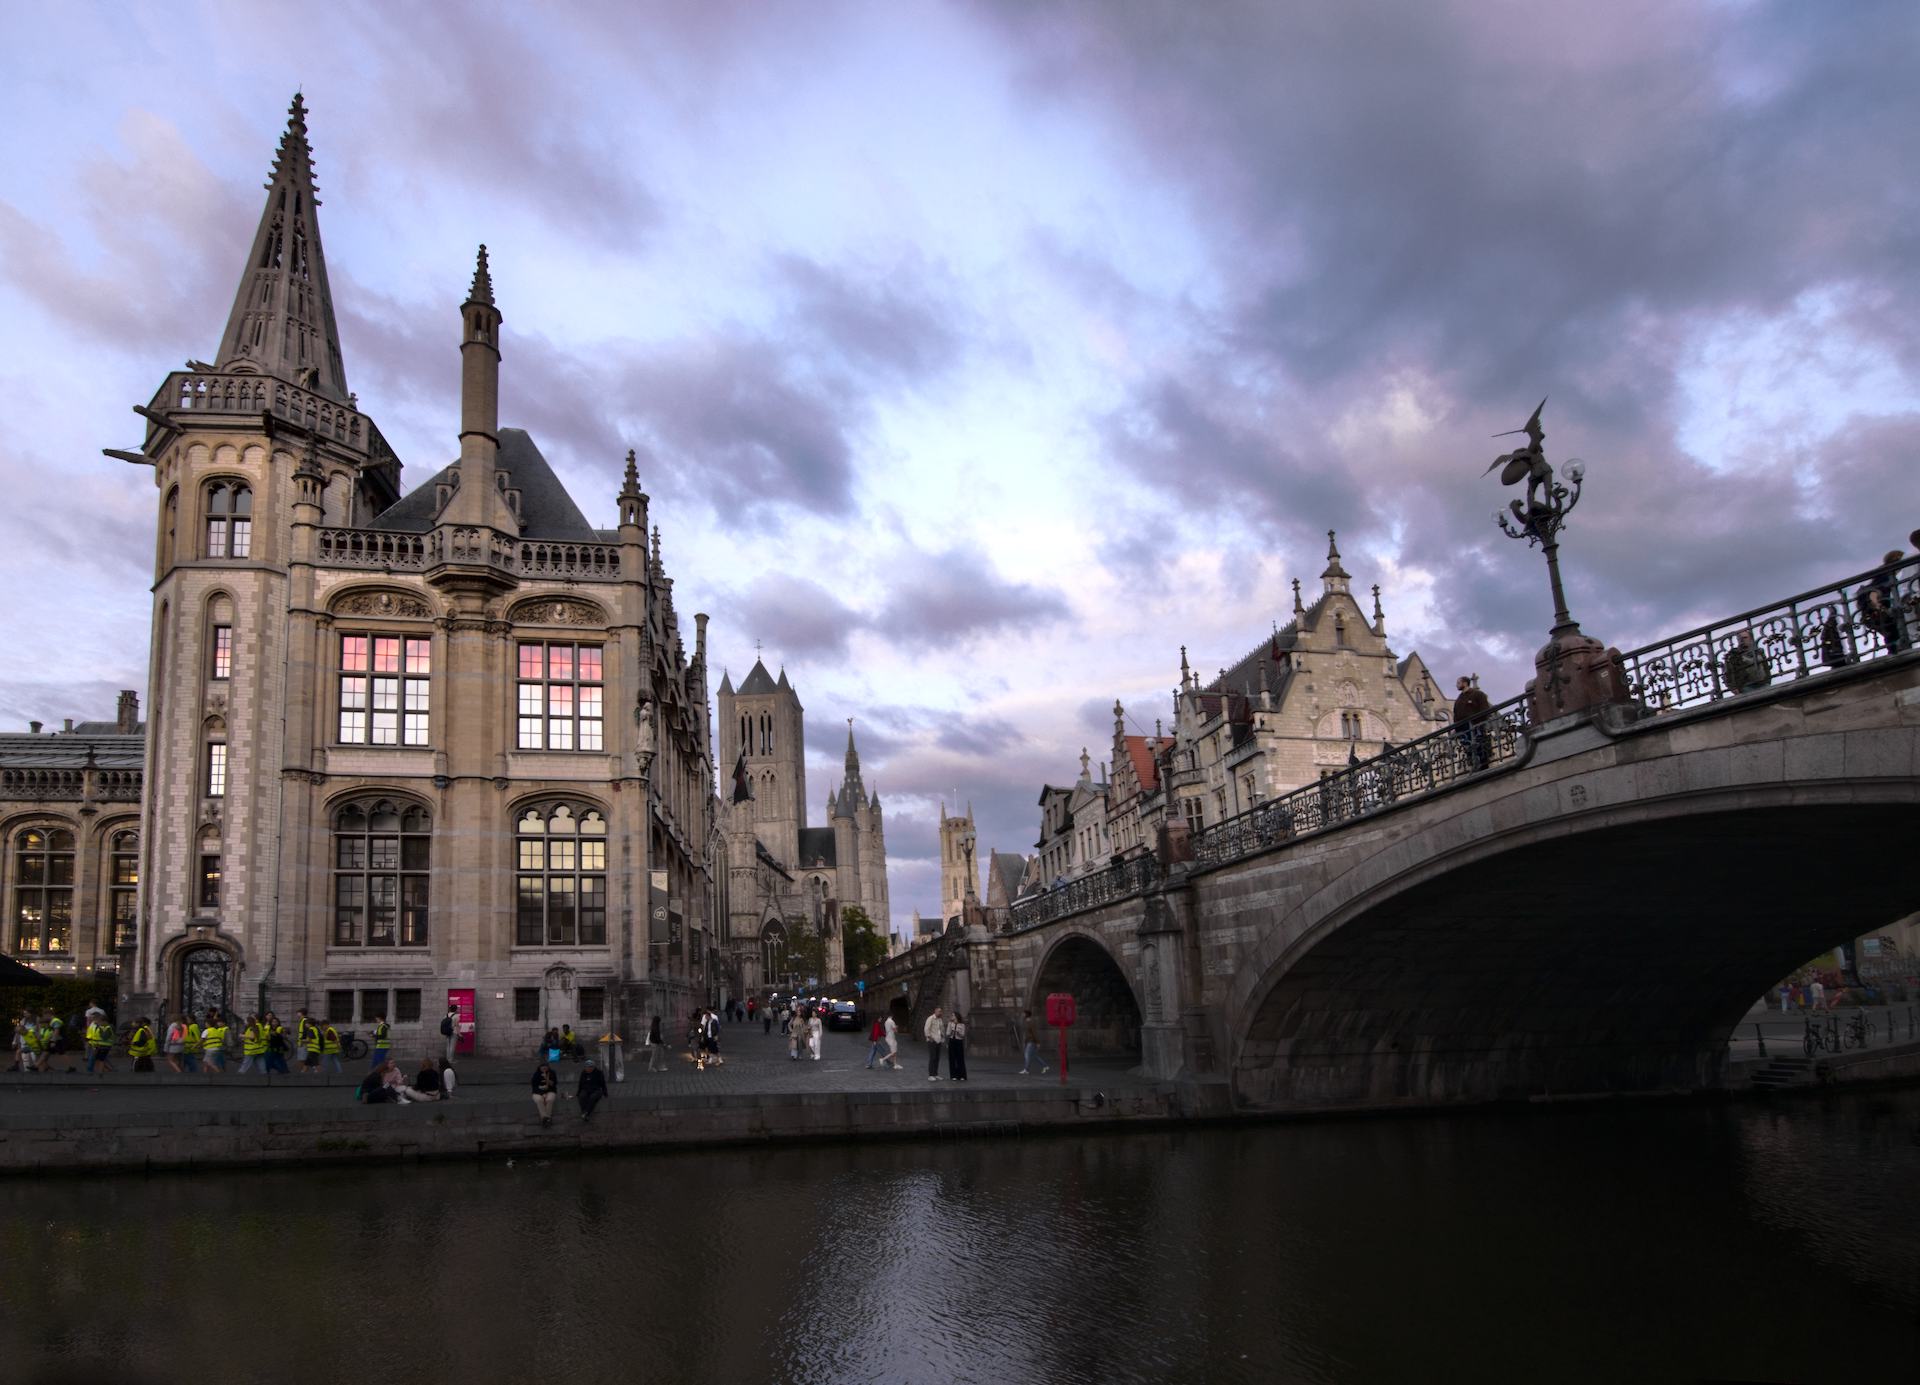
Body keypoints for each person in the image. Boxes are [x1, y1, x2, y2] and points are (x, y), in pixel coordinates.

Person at [1858, 551, 1907, 653]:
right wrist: (1878, 606)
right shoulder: (1887, 575)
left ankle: (1896, 652)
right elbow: (1874, 592)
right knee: (1893, 633)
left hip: (1874, 613)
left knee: (1892, 634)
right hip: (1880, 612)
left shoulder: (1883, 574)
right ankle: (1897, 652)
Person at [1452, 676, 1492, 769]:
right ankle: (1474, 765)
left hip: (1475, 725)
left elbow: (1485, 710)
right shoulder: (1459, 699)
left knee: (1479, 745)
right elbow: (1456, 714)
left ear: (1465, 683)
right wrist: (1456, 728)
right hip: (1463, 728)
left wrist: (1479, 723)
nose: (1456, 685)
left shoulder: (1477, 694)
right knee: (1468, 748)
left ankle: (1484, 764)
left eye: (1458, 683)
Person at [1019, 1009, 1050, 1076]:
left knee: (1027, 1055)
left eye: (1023, 1014)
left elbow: (1034, 1033)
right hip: (1028, 1041)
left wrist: (1038, 1042)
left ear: (1027, 1014)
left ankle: (1026, 1070)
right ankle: (1045, 1066)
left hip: (1031, 1041)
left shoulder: (1031, 1022)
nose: (1022, 1015)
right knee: (1034, 1056)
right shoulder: (1026, 1022)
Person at [530, 1061, 560, 1126]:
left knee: (549, 1100)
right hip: (538, 1092)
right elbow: (534, 1086)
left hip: (550, 1091)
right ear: (539, 1067)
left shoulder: (552, 1073)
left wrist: (546, 1078)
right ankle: (546, 1119)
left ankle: (545, 1119)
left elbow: (553, 1084)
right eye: (542, 1067)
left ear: (548, 1067)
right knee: (539, 1100)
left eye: (545, 1066)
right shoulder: (536, 1074)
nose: (544, 1068)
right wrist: (542, 1093)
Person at [924, 1006, 947, 1080]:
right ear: (935, 1011)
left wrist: (943, 1037)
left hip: (939, 1040)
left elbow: (941, 1029)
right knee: (932, 1057)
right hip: (932, 1040)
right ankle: (931, 1075)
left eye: (941, 1011)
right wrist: (929, 1037)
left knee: (937, 1058)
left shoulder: (940, 1020)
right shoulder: (930, 1018)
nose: (940, 1013)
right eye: (939, 1011)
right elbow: (926, 1028)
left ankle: (935, 1074)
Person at [947, 1012, 969, 1082]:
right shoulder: (950, 1024)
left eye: (953, 1015)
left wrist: (958, 1032)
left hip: (959, 1042)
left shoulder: (962, 1025)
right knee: (952, 1059)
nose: (952, 1016)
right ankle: (953, 1076)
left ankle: (962, 1075)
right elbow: (947, 1033)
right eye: (952, 1015)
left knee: (960, 1059)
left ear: (956, 1016)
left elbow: (963, 1035)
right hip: (952, 1041)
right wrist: (951, 1032)